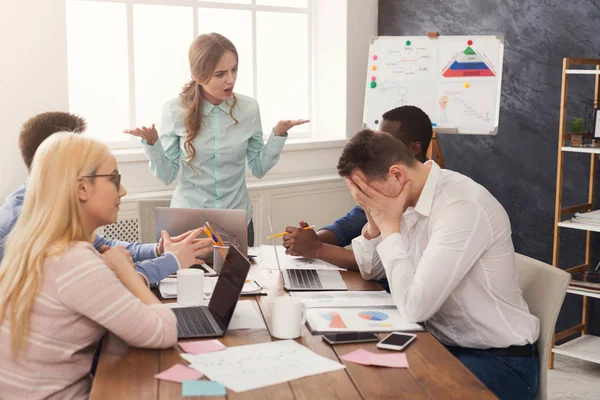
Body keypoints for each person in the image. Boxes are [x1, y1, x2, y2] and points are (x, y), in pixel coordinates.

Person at [339, 129, 540, 400]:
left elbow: (414, 308)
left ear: (397, 175)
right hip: (441, 344)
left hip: (500, 361)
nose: (366, 200)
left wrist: (389, 226)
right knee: (359, 379)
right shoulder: (405, 197)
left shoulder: (460, 206)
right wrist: (374, 223)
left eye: (366, 193)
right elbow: (370, 269)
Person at [0, 133, 177, 399]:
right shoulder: (72, 260)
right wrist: (126, 274)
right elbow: (164, 331)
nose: (123, 190)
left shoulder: (32, 244)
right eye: (114, 179)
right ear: (82, 188)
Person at [125, 33, 308, 247]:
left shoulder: (248, 109)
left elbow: (258, 168)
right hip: (188, 224)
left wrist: (278, 135)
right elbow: (167, 175)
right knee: (187, 281)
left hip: (237, 220)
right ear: (197, 75)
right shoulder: (175, 110)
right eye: (220, 74)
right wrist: (152, 143)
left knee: (239, 280)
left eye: (234, 69)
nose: (230, 79)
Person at [0, 112, 212, 284]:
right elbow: (102, 282)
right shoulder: (24, 220)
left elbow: (100, 246)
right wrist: (172, 261)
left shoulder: (54, 198)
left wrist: (158, 250)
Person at [282, 106, 433, 274]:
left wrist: (316, 248)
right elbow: (348, 226)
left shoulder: (433, 197)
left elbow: (383, 264)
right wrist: (309, 239)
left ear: (414, 149)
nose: (375, 147)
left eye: (385, 140)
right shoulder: (385, 180)